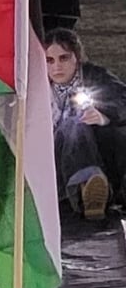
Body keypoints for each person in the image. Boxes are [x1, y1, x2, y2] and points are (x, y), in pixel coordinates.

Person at [45, 28, 126, 221]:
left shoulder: (95, 77)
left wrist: (104, 115)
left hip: (100, 154)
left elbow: (122, 100)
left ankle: (90, 187)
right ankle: (85, 190)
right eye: (50, 60)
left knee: (77, 123)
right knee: (72, 125)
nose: (57, 67)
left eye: (64, 58)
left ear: (77, 57)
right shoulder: (37, 86)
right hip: (51, 160)